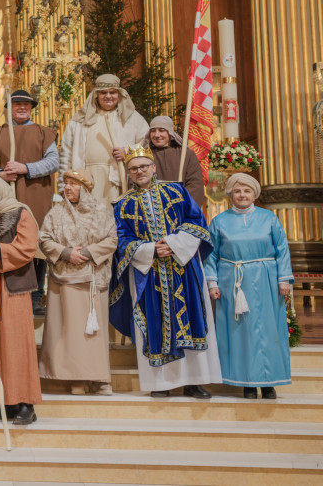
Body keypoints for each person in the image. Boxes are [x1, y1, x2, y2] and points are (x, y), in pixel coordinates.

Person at [109, 145, 221, 399]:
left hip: (183, 269)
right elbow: (122, 239)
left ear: (153, 167)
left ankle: (195, 382)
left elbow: (196, 223)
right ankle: (161, 384)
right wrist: (149, 249)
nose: (139, 172)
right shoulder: (123, 204)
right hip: (148, 273)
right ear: (128, 173)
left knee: (192, 320)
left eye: (143, 166)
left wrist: (173, 244)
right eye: (133, 168)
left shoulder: (178, 191)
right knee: (155, 324)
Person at [205, 173, 293, 399]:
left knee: (268, 329)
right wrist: (212, 282)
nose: (242, 195)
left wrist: (283, 279)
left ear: (254, 194)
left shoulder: (269, 218)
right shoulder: (219, 221)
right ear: (230, 195)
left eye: (246, 191)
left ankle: (269, 381)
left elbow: (282, 249)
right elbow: (210, 255)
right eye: (237, 191)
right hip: (232, 282)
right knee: (240, 332)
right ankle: (247, 381)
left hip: (266, 280)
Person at [37, 169, 117, 395]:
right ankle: (76, 380)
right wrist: (65, 252)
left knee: (93, 333)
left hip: (93, 276)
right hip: (65, 279)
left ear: (86, 187)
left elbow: (112, 239)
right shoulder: (56, 212)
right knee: (71, 332)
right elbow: (44, 239)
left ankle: (100, 378)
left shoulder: (102, 211)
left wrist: (90, 251)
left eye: (73, 184)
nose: (67, 188)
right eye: (66, 184)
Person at [0, 89, 59, 315]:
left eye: (26, 104)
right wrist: (0, 174)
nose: (22, 107)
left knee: (35, 241)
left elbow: (53, 162)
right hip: (5, 196)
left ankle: (36, 295)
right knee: (6, 239)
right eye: (17, 104)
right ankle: (8, 290)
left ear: (32, 107)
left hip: (36, 194)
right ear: (8, 108)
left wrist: (26, 168)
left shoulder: (45, 133)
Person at [0, 174, 42, 424]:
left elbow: (28, 247)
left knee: (15, 344)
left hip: (10, 285)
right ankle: (5, 400)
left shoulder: (19, 212)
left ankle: (25, 403)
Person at [60, 74, 150, 201]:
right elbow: (66, 153)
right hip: (87, 179)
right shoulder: (80, 119)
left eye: (112, 92)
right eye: (103, 93)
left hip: (118, 178)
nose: (108, 96)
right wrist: (63, 186)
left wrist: (128, 153)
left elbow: (147, 145)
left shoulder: (133, 118)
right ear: (96, 95)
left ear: (119, 94)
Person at [143, 115, 206, 208]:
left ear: (170, 133)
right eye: (153, 131)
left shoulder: (186, 154)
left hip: (181, 209)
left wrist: (180, 204)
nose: (156, 135)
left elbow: (195, 185)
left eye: (161, 130)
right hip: (154, 210)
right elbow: (137, 183)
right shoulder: (144, 156)